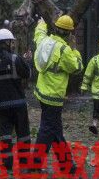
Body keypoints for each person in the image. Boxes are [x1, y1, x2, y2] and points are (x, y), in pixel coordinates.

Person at [33, 15, 83, 174]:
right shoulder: (66, 50)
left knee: (55, 129)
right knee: (47, 129)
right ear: (69, 34)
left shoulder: (45, 41)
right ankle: (35, 164)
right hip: (54, 96)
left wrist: (41, 23)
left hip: (42, 92)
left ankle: (67, 164)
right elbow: (77, 68)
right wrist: (75, 49)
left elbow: (38, 34)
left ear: (55, 29)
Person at [0, 28, 31, 171]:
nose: (13, 44)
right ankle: (24, 162)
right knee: (23, 134)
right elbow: (27, 73)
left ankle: (7, 164)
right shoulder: (15, 58)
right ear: (6, 42)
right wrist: (27, 61)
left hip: (1, 105)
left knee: (5, 135)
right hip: (18, 104)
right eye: (11, 42)